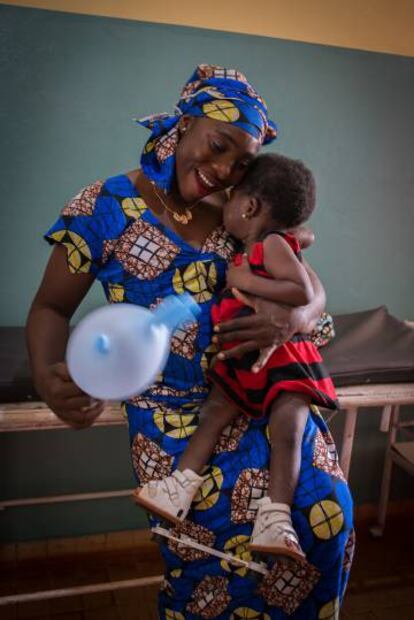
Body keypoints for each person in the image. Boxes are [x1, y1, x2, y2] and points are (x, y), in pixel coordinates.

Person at [26, 64, 354, 618]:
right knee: (210, 560)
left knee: (326, 522)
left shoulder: (242, 214)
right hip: (176, 426)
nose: (224, 169)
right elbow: (51, 307)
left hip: (267, 401)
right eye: (218, 145)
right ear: (183, 125)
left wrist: (296, 320)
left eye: (241, 163)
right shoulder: (103, 207)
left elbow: (309, 287)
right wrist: (45, 371)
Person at [135, 153, 339, 565]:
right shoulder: (255, 244)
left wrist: (241, 279)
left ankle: (276, 518)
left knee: (287, 432)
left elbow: (301, 290)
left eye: (231, 198)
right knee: (214, 413)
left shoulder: (271, 245)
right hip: (245, 360)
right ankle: (179, 488)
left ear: (248, 206)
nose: (224, 204)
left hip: (285, 362)